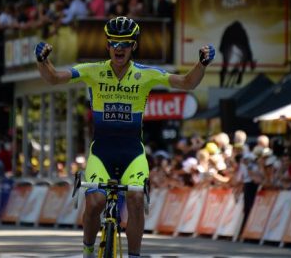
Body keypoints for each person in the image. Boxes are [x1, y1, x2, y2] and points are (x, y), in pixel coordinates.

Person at [34, 16, 215, 258]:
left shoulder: (146, 74)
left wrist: (201, 64)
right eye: (114, 43)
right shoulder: (93, 70)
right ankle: (88, 250)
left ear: (134, 46)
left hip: (133, 152)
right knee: (96, 202)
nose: (119, 49)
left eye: (125, 44)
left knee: (136, 198)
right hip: (102, 151)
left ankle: (134, 256)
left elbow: (187, 83)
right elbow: (54, 78)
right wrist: (42, 61)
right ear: (107, 45)